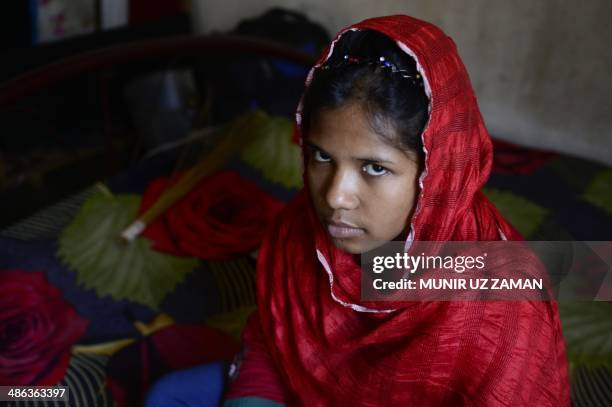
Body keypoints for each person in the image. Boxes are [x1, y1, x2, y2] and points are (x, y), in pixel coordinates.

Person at [147, 14, 570, 406]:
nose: (335, 197)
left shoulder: (501, 302)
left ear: (437, 174)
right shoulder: (301, 231)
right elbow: (273, 339)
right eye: (321, 156)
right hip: (306, 390)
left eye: (374, 167)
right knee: (168, 395)